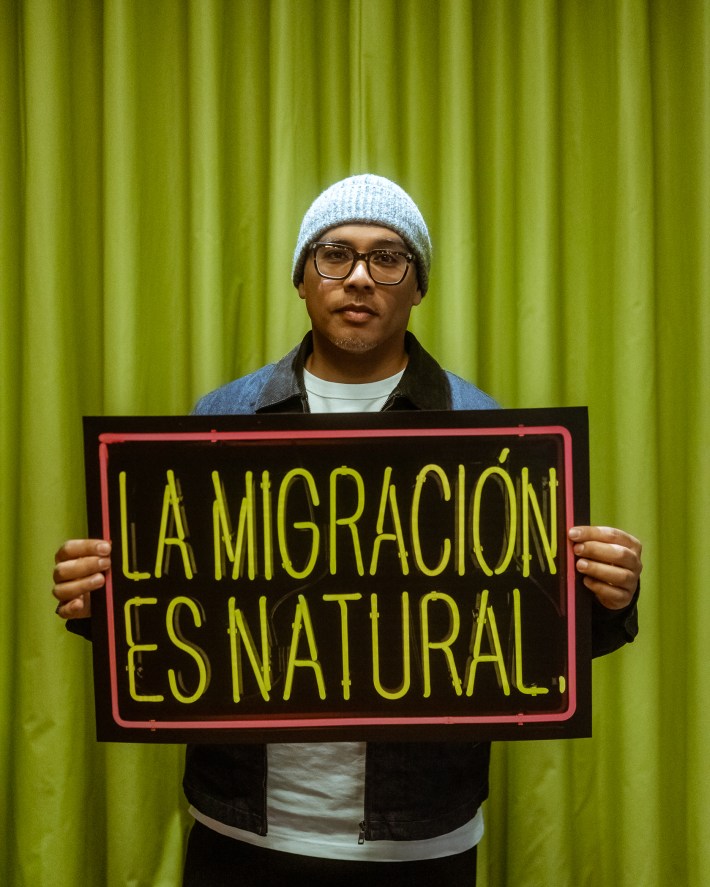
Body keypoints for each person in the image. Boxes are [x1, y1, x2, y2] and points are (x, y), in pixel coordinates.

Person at [53, 175, 642, 886]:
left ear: (417, 286)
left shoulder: (485, 432)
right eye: (334, 254)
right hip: (242, 825)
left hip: (421, 836)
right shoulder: (222, 419)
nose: (359, 277)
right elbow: (179, 616)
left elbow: (526, 632)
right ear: (301, 278)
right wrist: (98, 599)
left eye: (387, 257)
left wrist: (606, 597)